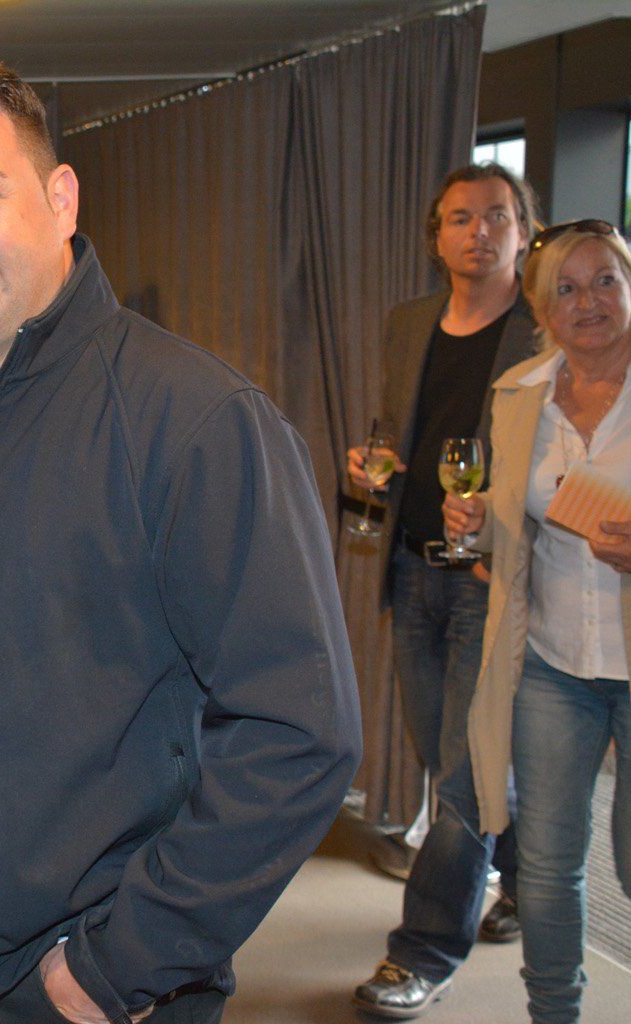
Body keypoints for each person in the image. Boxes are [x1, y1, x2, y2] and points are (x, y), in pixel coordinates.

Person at [0, 50, 361, 1024]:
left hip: (78, 986)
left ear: (59, 200)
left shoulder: (194, 420)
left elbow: (300, 734)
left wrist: (118, 965)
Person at [350, 163, 539, 1019]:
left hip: (489, 582)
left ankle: (420, 952)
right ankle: (528, 877)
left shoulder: (544, 331)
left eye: (496, 215)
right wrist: (373, 467)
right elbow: (399, 434)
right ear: (437, 237)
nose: (478, 232)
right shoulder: (408, 323)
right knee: (444, 752)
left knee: (462, 773)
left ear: (522, 231)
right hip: (412, 566)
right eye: (460, 218)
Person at [447, 219, 631, 1024]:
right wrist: (474, 521)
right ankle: (553, 1015)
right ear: (541, 308)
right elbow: (509, 530)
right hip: (552, 666)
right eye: (565, 288)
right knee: (549, 866)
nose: (587, 302)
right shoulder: (518, 393)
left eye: (604, 281)